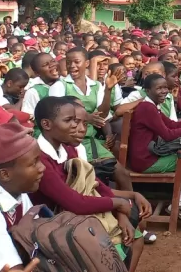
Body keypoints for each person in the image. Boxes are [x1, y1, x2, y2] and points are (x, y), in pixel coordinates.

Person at [31, 96, 148, 268]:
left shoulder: (67, 149)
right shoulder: (40, 159)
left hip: (75, 216)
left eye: (78, 121)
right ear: (47, 125)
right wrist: (118, 204)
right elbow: (74, 202)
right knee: (115, 245)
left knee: (135, 236)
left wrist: (121, 210)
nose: (75, 126)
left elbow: (95, 183)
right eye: (69, 120)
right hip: (53, 223)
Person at [127, 74, 181, 225]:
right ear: (147, 90)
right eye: (159, 88)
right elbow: (168, 135)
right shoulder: (147, 108)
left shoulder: (153, 106)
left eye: (165, 88)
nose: (164, 91)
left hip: (151, 154)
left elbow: (171, 125)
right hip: (146, 161)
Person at [0, 122, 45, 271]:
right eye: (34, 163)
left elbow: (36, 227)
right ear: (5, 174)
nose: (42, 167)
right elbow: (12, 269)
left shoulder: (13, 185)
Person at [47, 47, 121, 162]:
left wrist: (108, 90)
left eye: (76, 62)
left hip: (89, 139)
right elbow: (56, 114)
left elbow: (102, 114)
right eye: (68, 63)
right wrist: (87, 117)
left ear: (86, 63)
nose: (71, 65)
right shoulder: (60, 86)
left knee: (119, 171)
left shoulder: (95, 85)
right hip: (68, 140)